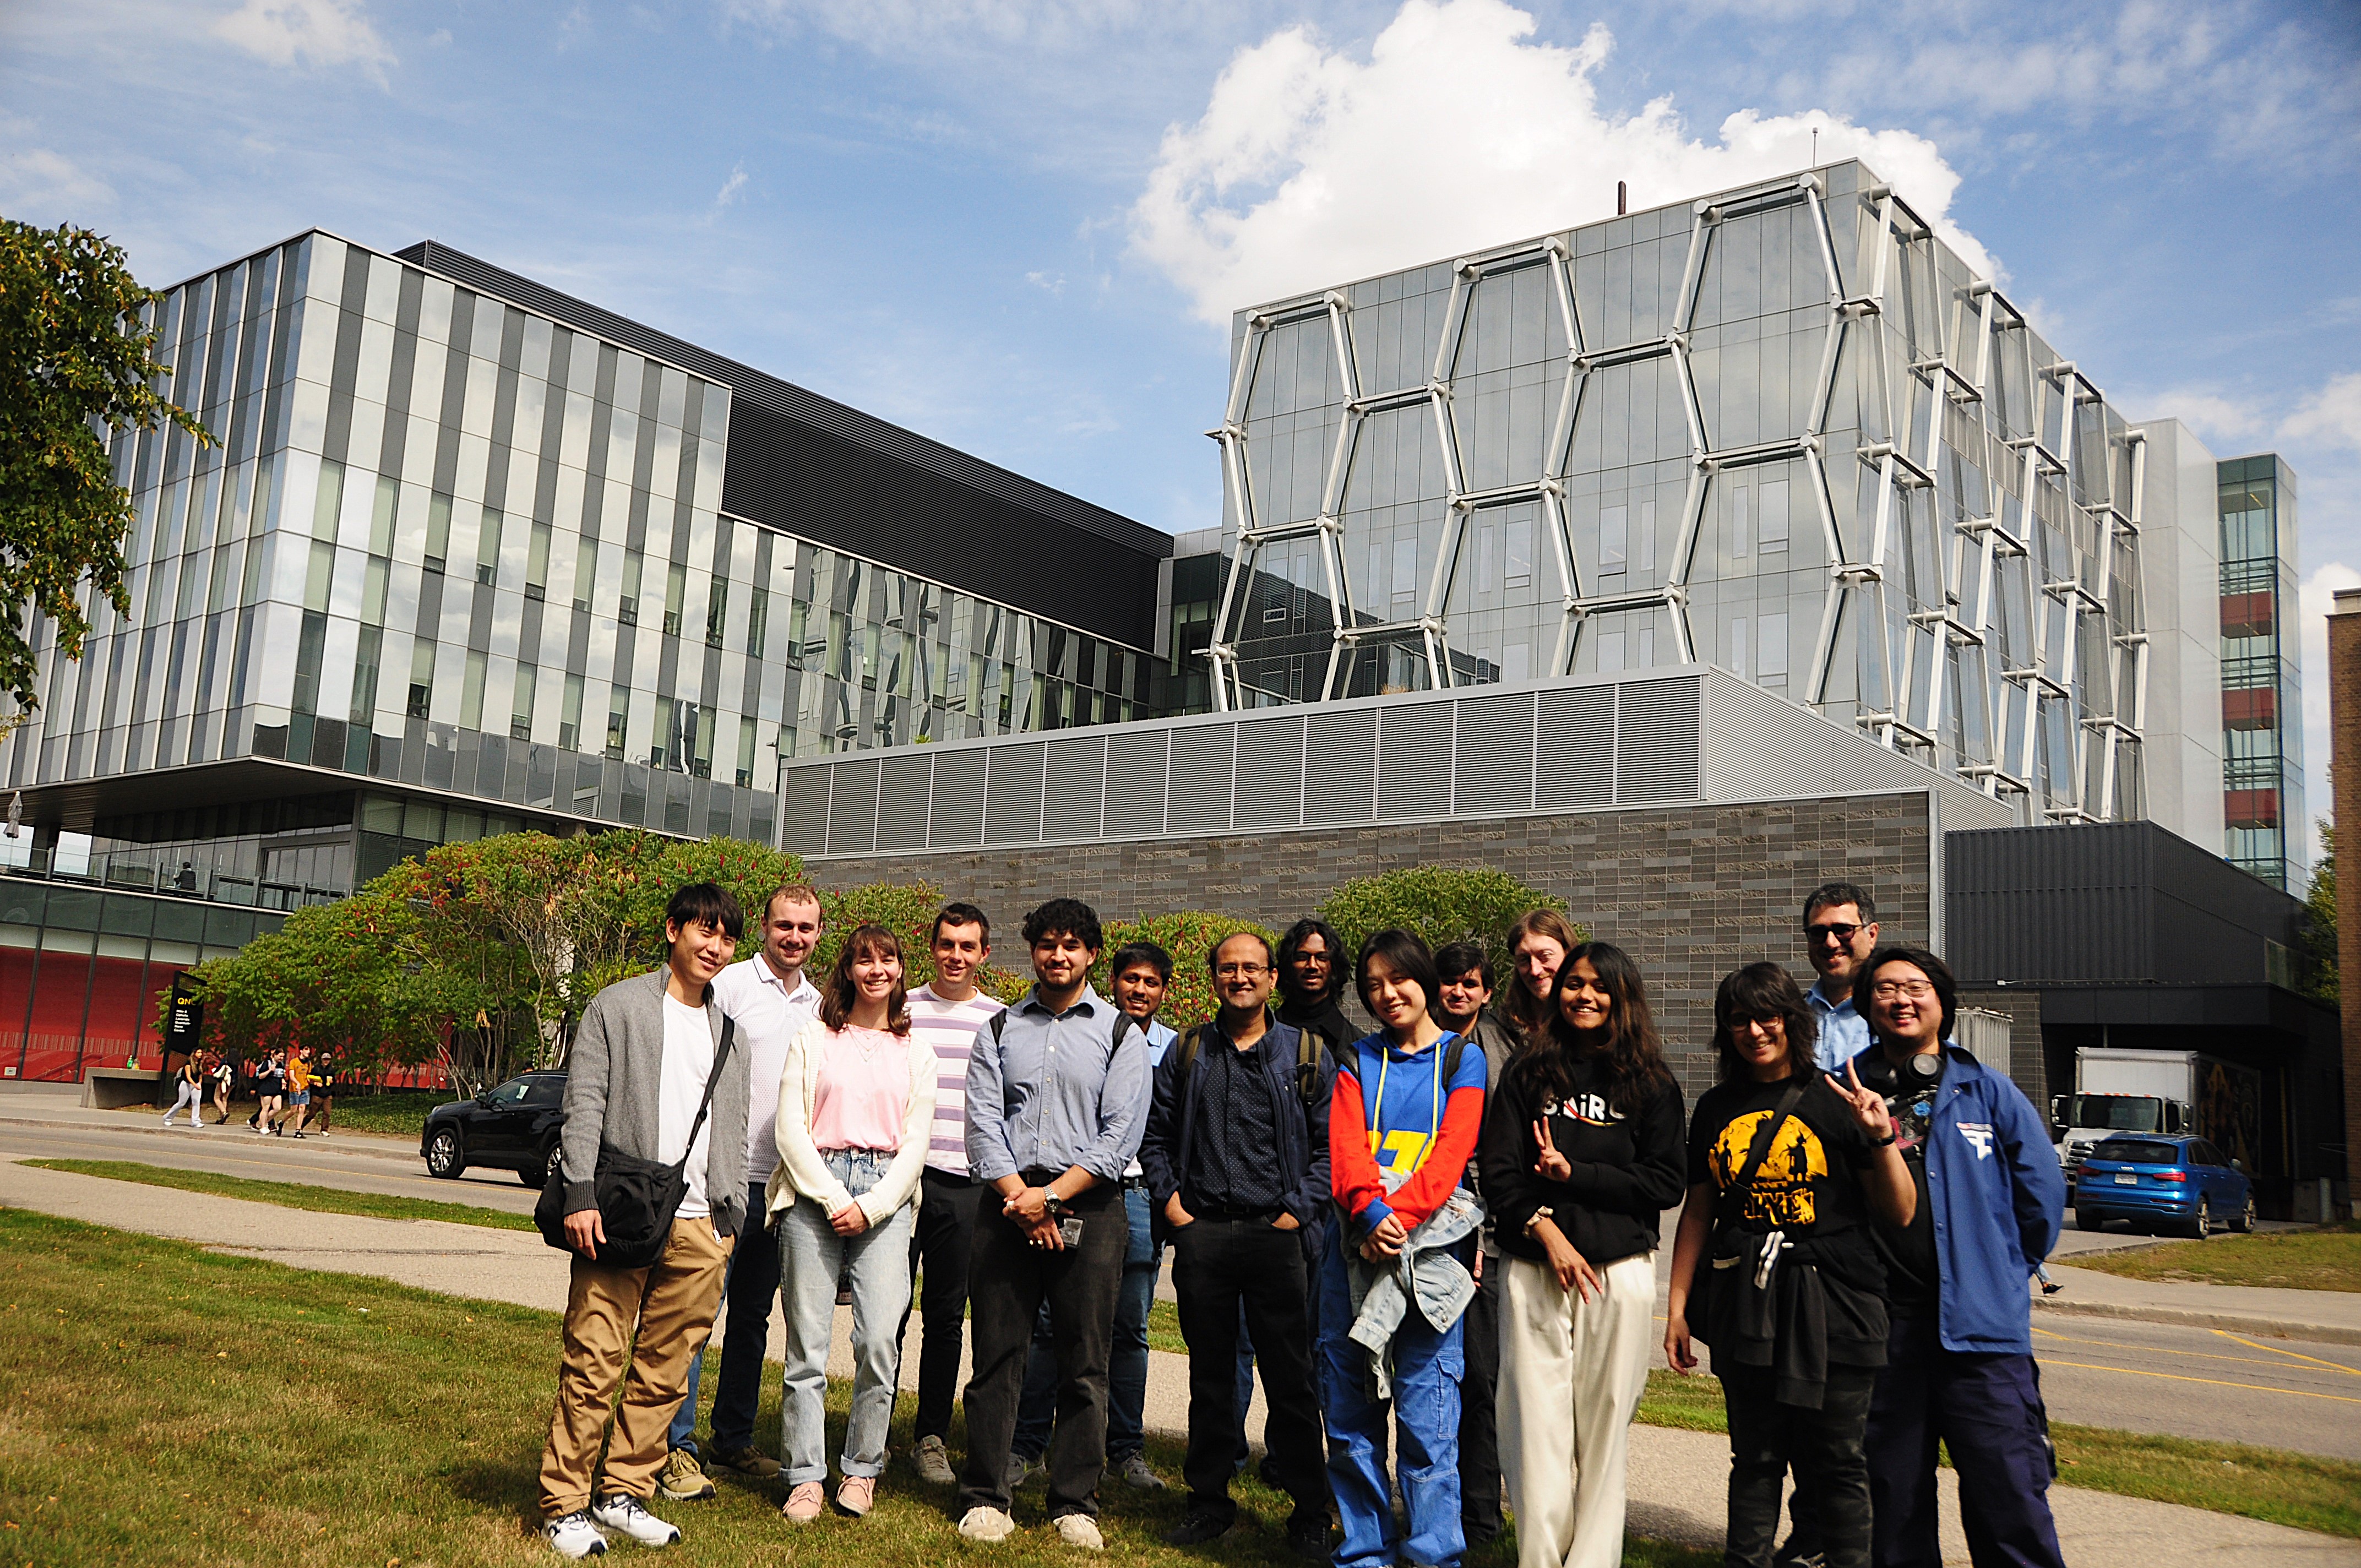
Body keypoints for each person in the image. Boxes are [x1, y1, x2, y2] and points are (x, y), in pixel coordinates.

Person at [1664, 963, 1913, 1568]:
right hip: (1748, 1305)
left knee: (1838, 1463)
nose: (1754, 1030)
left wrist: (1881, 1138)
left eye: (1766, 1016)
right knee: (1755, 1458)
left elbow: (1900, 1212)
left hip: (1839, 1305)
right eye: (1739, 1020)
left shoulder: (1835, 1099)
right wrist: (1675, 1308)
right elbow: (1699, 1211)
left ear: (1792, 1021)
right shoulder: (1717, 1107)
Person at [535, 883, 753, 1560]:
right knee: (595, 1360)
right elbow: (586, 1103)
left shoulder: (729, 1031)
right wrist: (578, 1193)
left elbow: (734, 1128)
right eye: (702, 931)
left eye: (725, 937)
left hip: (699, 1225)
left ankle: (624, 1490)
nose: (713, 946)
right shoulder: (619, 1004)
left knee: (665, 1370)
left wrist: (731, 1218)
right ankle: (564, 1504)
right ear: (672, 931)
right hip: (620, 1212)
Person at [1847, 945, 2068, 1568]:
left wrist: (2001, 1267)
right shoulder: (1845, 1090)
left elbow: (2042, 1193)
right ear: (1867, 1004)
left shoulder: (1987, 1089)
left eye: (1915, 987)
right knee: (1892, 1499)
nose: (1900, 999)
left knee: (2009, 1494)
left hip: (1983, 1337)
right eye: (1885, 988)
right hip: (1884, 1331)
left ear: (1941, 1002)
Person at [1479, 941, 1685, 1568]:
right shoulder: (1529, 1072)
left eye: (1598, 985)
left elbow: (1665, 1182)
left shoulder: (1651, 1082)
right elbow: (1499, 1171)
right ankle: (1540, 1560)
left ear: (1623, 995)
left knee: (1602, 1432)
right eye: (1573, 983)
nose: (1583, 995)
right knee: (1532, 1430)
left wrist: (1575, 1174)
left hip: (1617, 1274)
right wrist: (1547, 1229)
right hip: (1534, 1268)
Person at [954, 897, 1150, 1550]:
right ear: (1032, 952)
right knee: (996, 1358)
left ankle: (1074, 1501)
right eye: (1046, 943)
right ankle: (985, 1495)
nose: (1057, 954)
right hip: (1006, 1204)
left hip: (1089, 1206)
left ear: (1091, 954)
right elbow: (982, 1123)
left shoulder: (1122, 1033)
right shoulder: (1001, 1027)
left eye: (1071, 944)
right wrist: (1022, 1199)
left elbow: (1120, 1135)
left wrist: (1053, 1200)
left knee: (1085, 1360)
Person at [1141, 932, 1332, 1559]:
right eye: (1229, 968)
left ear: (1272, 977)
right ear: (1215, 977)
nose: (1240, 977)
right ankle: (1208, 1501)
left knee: (1292, 1378)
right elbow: (1157, 1136)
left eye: (1252, 967)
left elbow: (1331, 1148)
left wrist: (1296, 1213)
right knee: (1212, 1377)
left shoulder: (1304, 1051)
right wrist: (1174, 1207)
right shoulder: (1190, 1050)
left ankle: (1309, 1509)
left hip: (1278, 1236)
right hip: (1206, 1234)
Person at [1323, 929, 1490, 1568]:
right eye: (1373, 985)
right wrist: (1370, 1215)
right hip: (1354, 1255)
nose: (1388, 994)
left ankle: (1431, 1555)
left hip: (1430, 1264)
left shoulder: (1461, 1059)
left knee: (1429, 1419)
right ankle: (1365, 1550)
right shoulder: (1355, 1059)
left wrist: (1400, 1219)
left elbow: (1453, 1150)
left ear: (1423, 978)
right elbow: (1344, 1151)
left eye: (1399, 979)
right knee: (1351, 1415)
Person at [662, 883, 824, 1500]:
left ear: (816, 934)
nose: (794, 938)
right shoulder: (728, 984)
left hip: (783, 1186)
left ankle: (731, 1439)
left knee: (753, 1319)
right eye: (784, 925)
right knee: (697, 1318)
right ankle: (675, 1447)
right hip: (722, 1180)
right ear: (764, 926)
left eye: (806, 929)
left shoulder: (817, 1001)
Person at [769, 923, 935, 1522]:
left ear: (898, 970)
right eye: (864, 960)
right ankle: (805, 1476)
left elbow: (916, 1144)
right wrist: (833, 1193)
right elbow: (791, 1129)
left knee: (876, 1345)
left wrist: (870, 1205)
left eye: (887, 960)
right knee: (807, 1348)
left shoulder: (916, 1049)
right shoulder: (813, 1037)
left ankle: (862, 1469)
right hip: (814, 1193)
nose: (876, 970)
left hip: (886, 1198)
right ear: (848, 970)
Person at [1012, 941, 1178, 1494]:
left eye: (1151, 981)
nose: (1139, 989)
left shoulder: (1175, 1049)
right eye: (1130, 978)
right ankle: (1029, 1444)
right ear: (1112, 979)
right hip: (1070, 1188)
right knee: (1046, 1322)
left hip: (1132, 1195)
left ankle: (1124, 1447)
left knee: (1128, 1328)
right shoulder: (1088, 1031)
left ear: (1164, 990)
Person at [901, 901, 1008, 1488]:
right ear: (933, 945)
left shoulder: (1000, 1019)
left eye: (968, 946)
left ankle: (930, 1437)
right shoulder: (901, 1008)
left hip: (962, 1183)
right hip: (897, 1179)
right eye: (947, 943)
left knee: (944, 1317)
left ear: (984, 953)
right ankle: (867, 1435)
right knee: (883, 1313)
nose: (956, 956)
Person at [1431, 939, 1522, 1548]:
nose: (1458, 992)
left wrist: (1486, 1233)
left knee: (1479, 1379)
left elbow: (1503, 1156)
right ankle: (1423, 1504)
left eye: (1470, 983)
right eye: (1449, 982)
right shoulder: (1414, 1042)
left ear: (1488, 990)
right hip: (1413, 1224)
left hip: (1482, 1230)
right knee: (1420, 1377)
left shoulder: (1506, 1054)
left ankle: (1480, 1515)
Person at [1803, 883, 1880, 1073]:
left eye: (1843, 930)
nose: (1831, 942)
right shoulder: (1795, 1016)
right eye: (1818, 933)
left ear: (1871, 935)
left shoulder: (1900, 1015)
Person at [1502, 910, 1579, 1042]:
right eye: (1524, 960)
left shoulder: (1592, 1023)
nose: (1535, 970)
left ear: (1568, 953)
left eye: (1545, 957)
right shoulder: (1498, 1029)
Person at [278, 1046, 315, 1138]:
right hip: (294, 1089)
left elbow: (308, 1076)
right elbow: (292, 1076)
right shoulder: (294, 1062)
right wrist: (297, 1083)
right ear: (301, 1051)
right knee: (293, 1110)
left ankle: (298, 1131)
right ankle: (281, 1122)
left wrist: (313, 1081)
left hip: (305, 1088)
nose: (308, 1052)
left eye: (309, 1050)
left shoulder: (309, 1063)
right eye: (306, 1049)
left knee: (302, 1109)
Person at [162, 1054, 206, 1128]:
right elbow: (188, 1076)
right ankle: (168, 1117)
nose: (200, 1054)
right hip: (186, 1084)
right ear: (194, 1054)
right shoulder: (188, 1065)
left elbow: (200, 1077)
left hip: (196, 1085)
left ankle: (196, 1122)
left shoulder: (199, 1065)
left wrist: (199, 1084)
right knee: (181, 1103)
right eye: (198, 1052)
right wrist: (195, 1085)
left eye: (201, 1053)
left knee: (196, 1103)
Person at [247, 1048, 284, 1134]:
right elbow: (260, 1076)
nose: (281, 1058)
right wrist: (270, 1070)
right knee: (265, 1108)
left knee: (278, 1108)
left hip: (277, 1089)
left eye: (283, 1057)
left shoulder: (281, 1064)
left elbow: (281, 1076)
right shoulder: (266, 1063)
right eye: (280, 1056)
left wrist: (283, 1081)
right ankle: (263, 1127)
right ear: (275, 1055)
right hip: (266, 1088)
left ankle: (264, 1121)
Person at [208, 1050, 233, 1125]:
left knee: (217, 1097)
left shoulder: (226, 1060)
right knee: (225, 1098)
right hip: (232, 1082)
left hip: (223, 1081)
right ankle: (222, 1117)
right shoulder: (236, 1062)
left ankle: (224, 1112)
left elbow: (220, 1069)